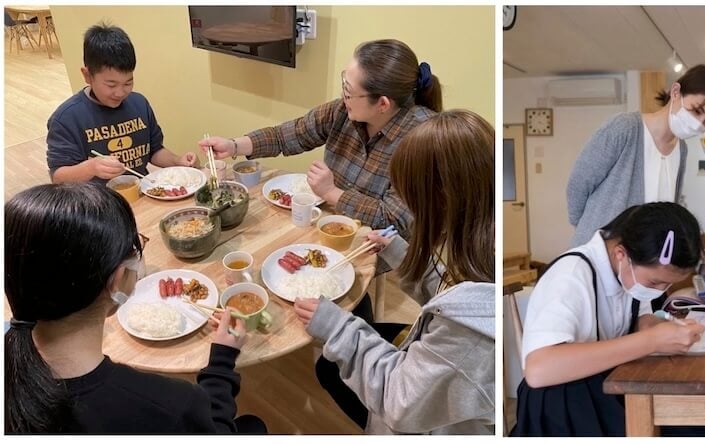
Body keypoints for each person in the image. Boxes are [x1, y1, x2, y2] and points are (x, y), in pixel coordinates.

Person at [292, 110, 495, 435]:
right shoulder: (486, 251)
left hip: (420, 420)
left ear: (440, 201)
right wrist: (401, 254)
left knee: (330, 368)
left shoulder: (473, 335)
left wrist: (336, 327)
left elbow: (400, 402)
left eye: (411, 200)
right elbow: (454, 298)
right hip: (427, 376)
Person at [4, 183, 264, 434]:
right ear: (117, 279)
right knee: (254, 425)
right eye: (134, 247)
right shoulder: (171, 405)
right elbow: (214, 430)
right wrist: (222, 361)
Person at [200, 39, 442, 241]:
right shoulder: (343, 112)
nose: (342, 96)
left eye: (348, 91)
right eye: (343, 83)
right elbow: (289, 134)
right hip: (331, 221)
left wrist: (330, 191)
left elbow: (395, 221)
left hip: (377, 242)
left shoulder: (423, 140)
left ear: (382, 104)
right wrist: (233, 145)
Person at [512, 202, 705, 436]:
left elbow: (641, 319)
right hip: (563, 405)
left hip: (606, 385)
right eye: (655, 283)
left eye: (668, 285)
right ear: (621, 254)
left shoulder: (630, 273)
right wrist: (653, 341)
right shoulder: (570, 276)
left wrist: (667, 331)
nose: (660, 290)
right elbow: (538, 369)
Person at [566, 65, 705, 247]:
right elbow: (578, 185)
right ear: (676, 92)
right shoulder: (624, 128)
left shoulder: (681, 149)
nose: (698, 124)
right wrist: (589, 230)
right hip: (600, 253)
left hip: (642, 260)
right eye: (696, 110)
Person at [47, 23, 198, 184]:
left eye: (128, 83)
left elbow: (155, 150)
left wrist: (178, 161)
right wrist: (91, 167)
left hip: (140, 192)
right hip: (97, 202)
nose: (120, 93)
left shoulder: (139, 103)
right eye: (111, 85)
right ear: (87, 75)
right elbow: (58, 176)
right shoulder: (67, 117)